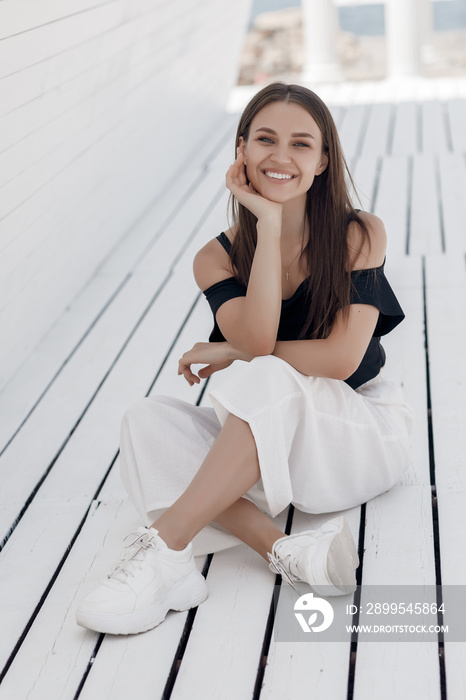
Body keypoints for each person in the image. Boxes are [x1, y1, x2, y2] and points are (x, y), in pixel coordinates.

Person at [76, 82, 413, 636]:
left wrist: (232, 350)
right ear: (241, 149)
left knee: (266, 371)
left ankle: (164, 549)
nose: (281, 157)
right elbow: (259, 343)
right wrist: (269, 225)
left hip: (358, 434)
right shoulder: (216, 256)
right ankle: (282, 550)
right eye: (265, 139)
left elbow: (340, 360)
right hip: (272, 442)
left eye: (301, 144)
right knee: (146, 421)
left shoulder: (358, 233)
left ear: (324, 160)